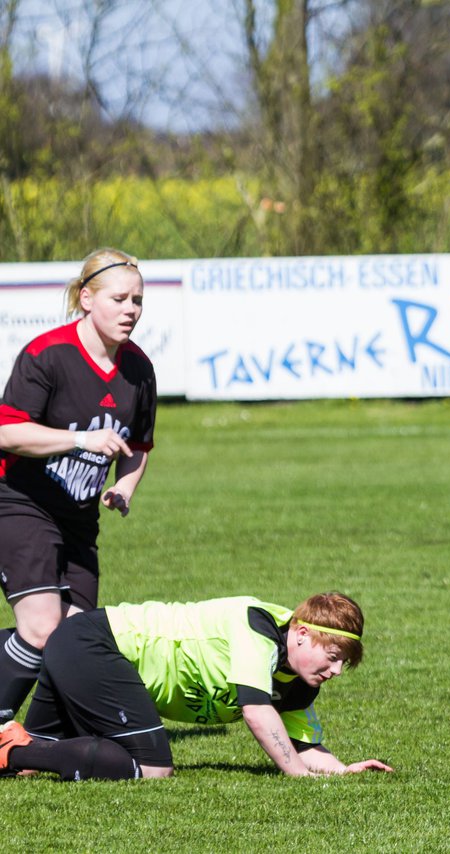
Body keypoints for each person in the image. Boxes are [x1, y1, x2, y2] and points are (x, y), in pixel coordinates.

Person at [0, 591, 394, 780]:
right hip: (96, 645)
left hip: (85, 647)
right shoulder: (258, 627)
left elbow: (303, 745)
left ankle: (15, 750)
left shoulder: (299, 682)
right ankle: (12, 752)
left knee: (37, 764)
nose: (337, 671)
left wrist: (342, 770)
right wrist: (298, 776)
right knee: (153, 768)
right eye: (332, 657)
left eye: (344, 662)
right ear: (303, 633)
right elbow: (257, 712)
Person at [0, 248, 156, 723]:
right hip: (20, 503)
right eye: (118, 299)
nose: (130, 310)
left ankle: (45, 738)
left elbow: (140, 446)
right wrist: (79, 438)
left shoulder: (139, 370)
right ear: (86, 298)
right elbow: (7, 432)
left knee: (73, 638)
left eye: (137, 300)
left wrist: (125, 487)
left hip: (79, 521)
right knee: (44, 625)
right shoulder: (48, 355)